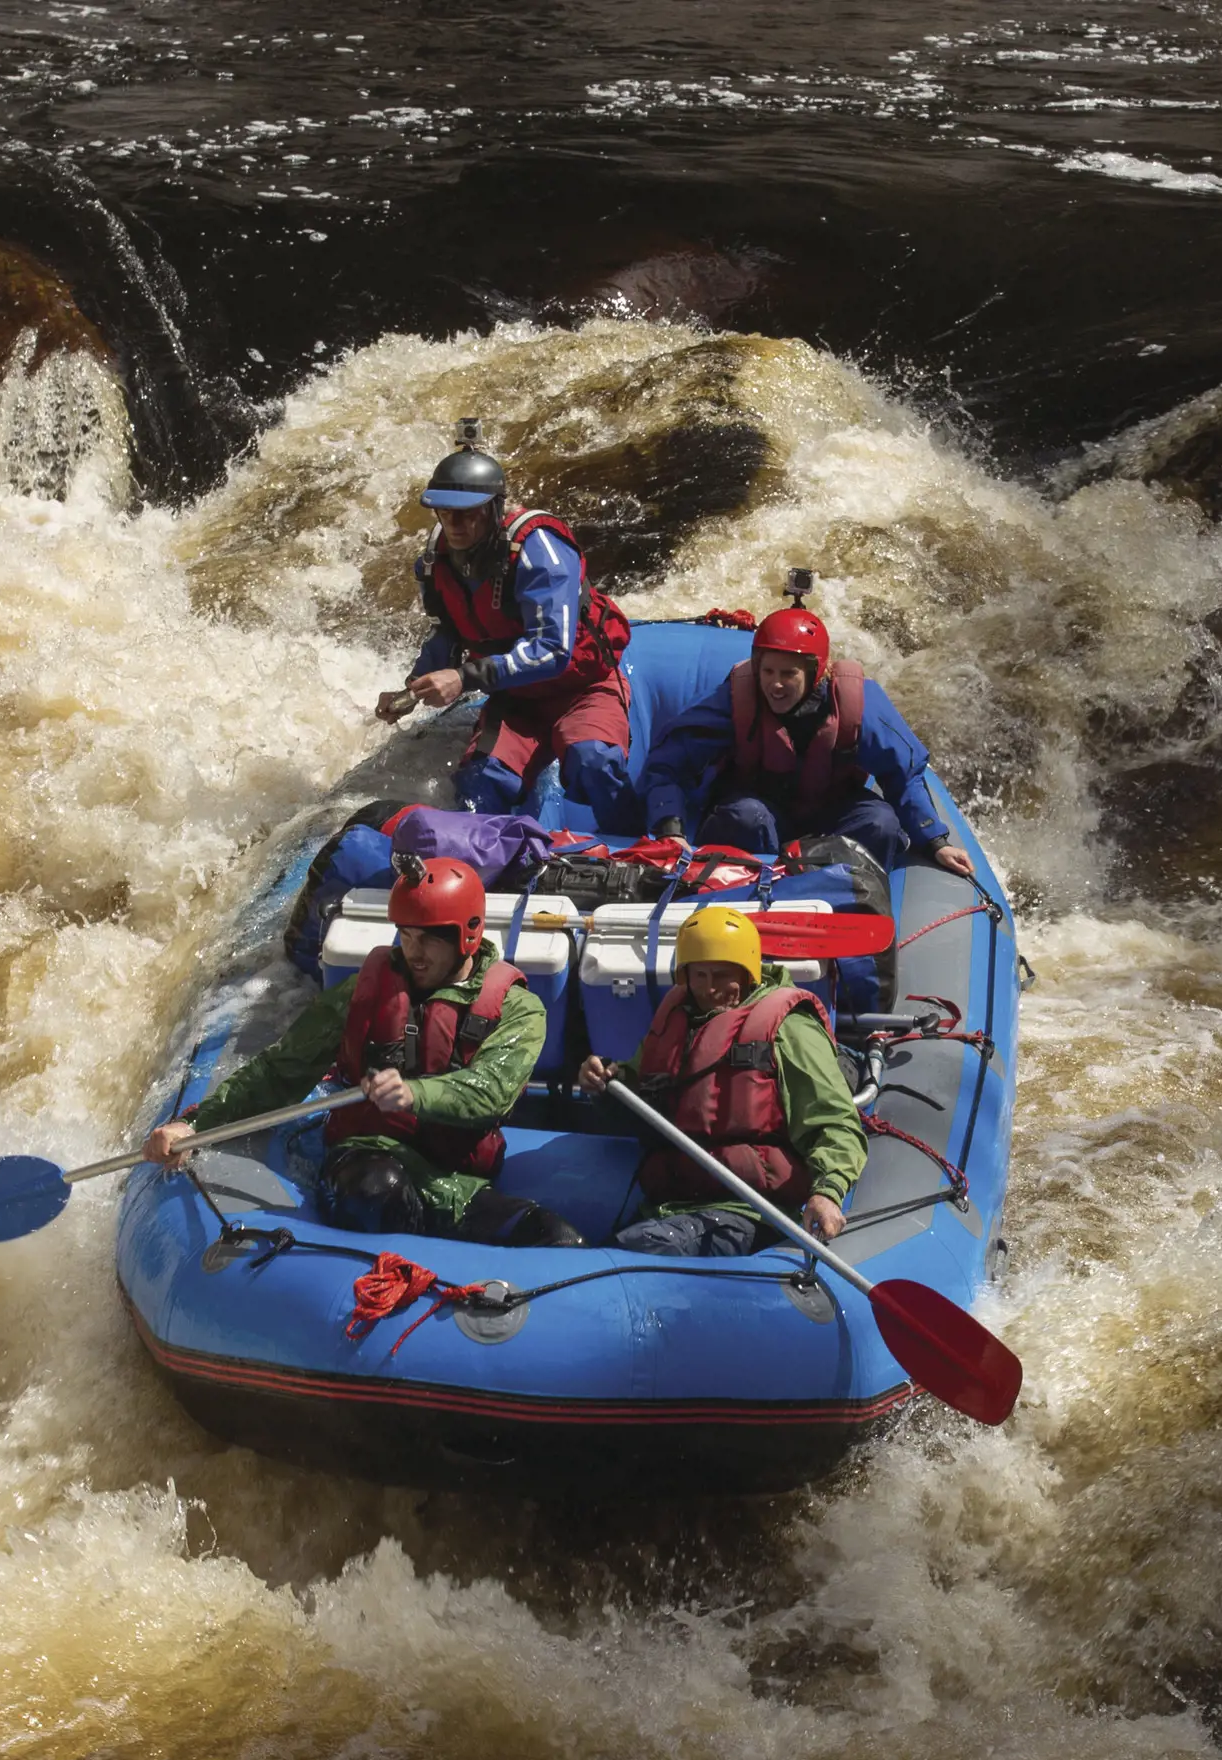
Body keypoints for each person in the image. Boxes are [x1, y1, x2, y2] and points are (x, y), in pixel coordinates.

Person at [146, 858, 582, 1247]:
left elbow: (491, 1091)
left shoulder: (518, 1009)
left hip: (455, 1180)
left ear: (466, 935)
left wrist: (413, 1094)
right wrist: (196, 1125)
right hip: (367, 1157)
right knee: (378, 1188)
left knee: (561, 1239)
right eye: (406, 935)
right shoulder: (364, 992)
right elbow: (281, 1071)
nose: (414, 951)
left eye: (429, 939)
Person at [373, 425, 636, 823]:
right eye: (446, 513)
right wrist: (412, 689)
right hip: (515, 697)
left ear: (494, 509)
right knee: (482, 781)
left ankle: (633, 837)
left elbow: (553, 651)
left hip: (582, 688)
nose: (455, 525)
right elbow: (448, 633)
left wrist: (463, 677)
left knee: (592, 764)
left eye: (468, 514)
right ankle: (501, 862)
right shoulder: (435, 560)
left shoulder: (540, 550)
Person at [573, 906, 866, 1257]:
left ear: (746, 973)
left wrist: (829, 1191)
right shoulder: (676, 1021)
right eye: (700, 975)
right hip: (672, 1207)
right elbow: (638, 1101)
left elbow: (833, 1122)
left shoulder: (790, 1029)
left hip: (751, 1212)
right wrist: (606, 1082)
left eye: (722, 975)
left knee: (641, 1251)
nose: (710, 989)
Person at [640, 598, 977, 876]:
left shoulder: (857, 704)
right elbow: (672, 759)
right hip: (759, 808)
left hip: (831, 810)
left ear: (815, 672)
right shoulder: (737, 698)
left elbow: (903, 775)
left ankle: (847, 901)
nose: (775, 684)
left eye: (789, 674)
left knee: (880, 823)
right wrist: (670, 828)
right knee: (744, 818)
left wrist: (935, 841)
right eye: (768, 671)